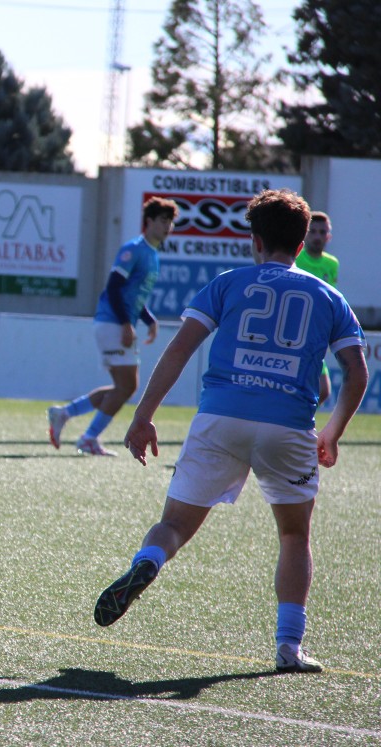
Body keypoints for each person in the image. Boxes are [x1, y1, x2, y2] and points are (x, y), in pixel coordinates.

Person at [92, 189, 368, 674]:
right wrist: (334, 431)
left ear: (255, 240)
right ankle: (288, 646)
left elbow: (178, 350)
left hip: (221, 417)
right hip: (290, 426)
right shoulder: (329, 296)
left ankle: (150, 561)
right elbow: (356, 371)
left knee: (175, 524)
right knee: (293, 535)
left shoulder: (227, 283)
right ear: (303, 244)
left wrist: (143, 415)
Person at [47, 197, 178, 456]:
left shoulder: (152, 254)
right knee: (127, 387)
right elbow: (114, 287)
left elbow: (134, 295)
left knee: (123, 387)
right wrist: (126, 323)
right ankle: (88, 437)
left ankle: (64, 414)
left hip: (116, 323)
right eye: (163, 220)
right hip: (112, 323)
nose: (168, 226)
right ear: (149, 221)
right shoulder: (134, 249)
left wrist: (148, 319)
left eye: (171, 221)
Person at [294, 211, 340, 405]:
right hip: (294, 332)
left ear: (328, 236)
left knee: (323, 390)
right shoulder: (296, 259)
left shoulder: (331, 264)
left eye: (323, 232)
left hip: (315, 335)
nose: (318, 236)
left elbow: (331, 300)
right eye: (313, 231)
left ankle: (295, 420)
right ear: (305, 233)